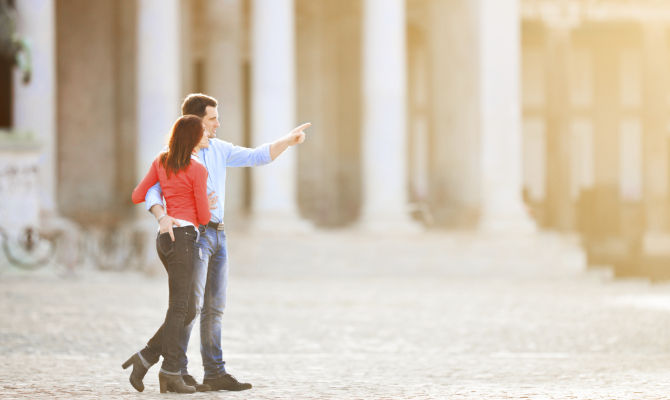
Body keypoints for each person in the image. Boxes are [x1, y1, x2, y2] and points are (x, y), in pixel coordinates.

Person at [133, 93, 310, 392]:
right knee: (190, 306)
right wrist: (161, 216)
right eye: (212, 119)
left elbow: (257, 156)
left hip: (219, 234)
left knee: (213, 307)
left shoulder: (219, 149)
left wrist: (287, 141)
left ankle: (213, 371)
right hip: (193, 235)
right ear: (195, 123)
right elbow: (151, 191)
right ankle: (178, 370)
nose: (217, 124)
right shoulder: (172, 154)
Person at [123, 115, 211, 394]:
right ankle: (170, 372)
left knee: (185, 309)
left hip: (165, 238)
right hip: (184, 238)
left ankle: (147, 357)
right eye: (204, 132)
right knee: (181, 308)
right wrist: (205, 202)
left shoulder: (161, 161)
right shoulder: (197, 169)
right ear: (194, 138)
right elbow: (205, 217)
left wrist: (164, 214)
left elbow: (139, 194)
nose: (208, 135)